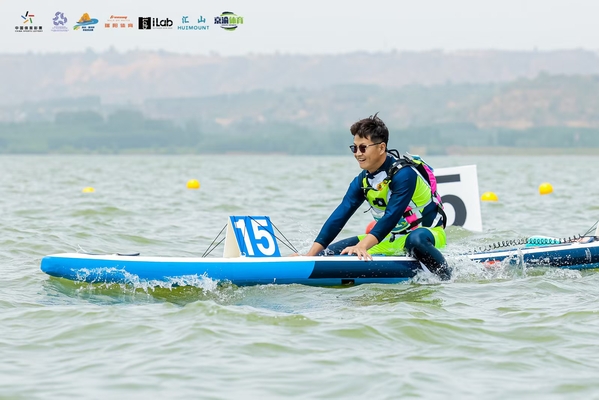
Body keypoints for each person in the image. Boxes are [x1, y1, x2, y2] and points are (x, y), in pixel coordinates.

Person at [300, 113, 451, 280]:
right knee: (326, 254)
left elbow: (392, 216)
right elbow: (340, 215)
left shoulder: (404, 175)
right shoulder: (362, 181)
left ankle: (447, 277)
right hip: (390, 239)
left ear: (381, 148)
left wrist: (362, 246)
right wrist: (310, 255)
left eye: (363, 147)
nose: (357, 153)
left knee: (415, 241)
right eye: (354, 148)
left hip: (428, 235)